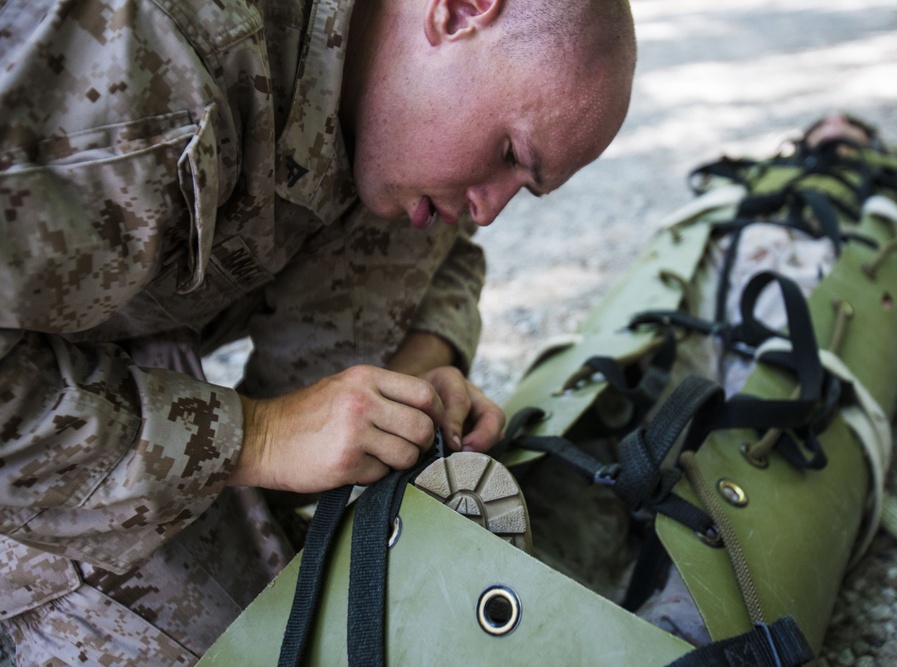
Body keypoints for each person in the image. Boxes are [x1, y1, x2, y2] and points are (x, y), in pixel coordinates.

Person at [0, 0, 637, 662]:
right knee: (234, 645)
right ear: (459, 12)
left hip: (98, 341)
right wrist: (257, 435)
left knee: (314, 610)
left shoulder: (394, 113)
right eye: (509, 154)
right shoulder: (153, 69)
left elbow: (440, 257)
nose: (490, 206)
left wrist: (418, 365)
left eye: (523, 189)